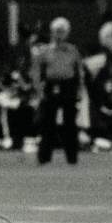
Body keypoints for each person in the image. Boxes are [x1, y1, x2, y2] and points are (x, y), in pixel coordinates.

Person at [33, 17, 82, 164]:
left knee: (70, 123)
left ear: (67, 33)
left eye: (62, 31)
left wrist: (79, 90)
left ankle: (72, 158)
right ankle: (44, 157)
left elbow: (78, 72)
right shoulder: (44, 51)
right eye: (57, 31)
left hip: (68, 86)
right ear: (52, 32)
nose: (59, 34)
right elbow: (37, 73)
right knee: (47, 123)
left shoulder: (73, 51)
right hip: (51, 85)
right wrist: (39, 91)